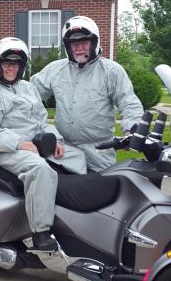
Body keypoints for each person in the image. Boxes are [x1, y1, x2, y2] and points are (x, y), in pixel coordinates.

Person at [0, 37, 86, 251]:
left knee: (77, 156)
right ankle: (40, 232)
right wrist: (19, 143)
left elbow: (41, 120)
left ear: (22, 66)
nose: (11, 68)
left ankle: (72, 211)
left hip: (36, 144)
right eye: (7, 63)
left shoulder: (28, 88)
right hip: (7, 149)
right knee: (40, 169)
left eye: (15, 64)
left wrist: (56, 141)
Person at [31, 16, 144, 172]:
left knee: (106, 192)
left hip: (99, 151)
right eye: (74, 44)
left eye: (84, 42)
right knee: (60, 189)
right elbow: (29, 94)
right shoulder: (55, 69)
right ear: (67, 47)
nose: (79, 48)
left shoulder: (112, 71)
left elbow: (129, 103)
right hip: (64, 149)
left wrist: (132, 129)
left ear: (94, 42)